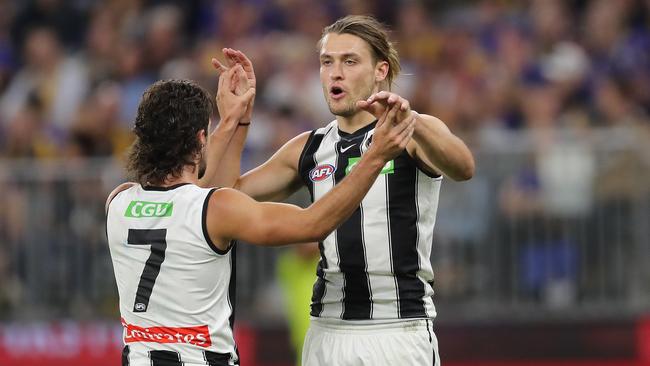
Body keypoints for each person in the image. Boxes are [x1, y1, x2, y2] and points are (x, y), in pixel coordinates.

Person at [105, 62, 415, 365]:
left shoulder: (117, 202)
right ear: (201, 138)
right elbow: (314, 223)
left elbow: (187, 197)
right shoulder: (216, 208)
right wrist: (375, 157)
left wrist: (234, 121)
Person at [209, 15, 475, 365]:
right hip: (326, 330)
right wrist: (235, 121)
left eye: (349, 61)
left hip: (397, 329)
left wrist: (415, 123)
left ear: (380, 71)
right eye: (327, 62)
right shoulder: (309, 147)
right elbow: (223, 196)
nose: (335, 72)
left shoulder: (408, 129)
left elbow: (463, 167)